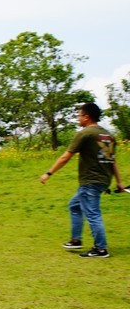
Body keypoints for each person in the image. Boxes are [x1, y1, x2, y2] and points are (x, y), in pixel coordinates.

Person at [39, 102, 124, 258]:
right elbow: (113, 161)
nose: (78, 118)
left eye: (79, 115)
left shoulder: (85, 133)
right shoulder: (107, 135)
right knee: (75, 206)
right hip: (102, 180)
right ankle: (76, 240)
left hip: (90, 180)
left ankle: (100, 249)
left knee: (92, 214)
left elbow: (66, 156)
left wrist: (48, 173)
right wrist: (119, 182)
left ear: (86, 116)